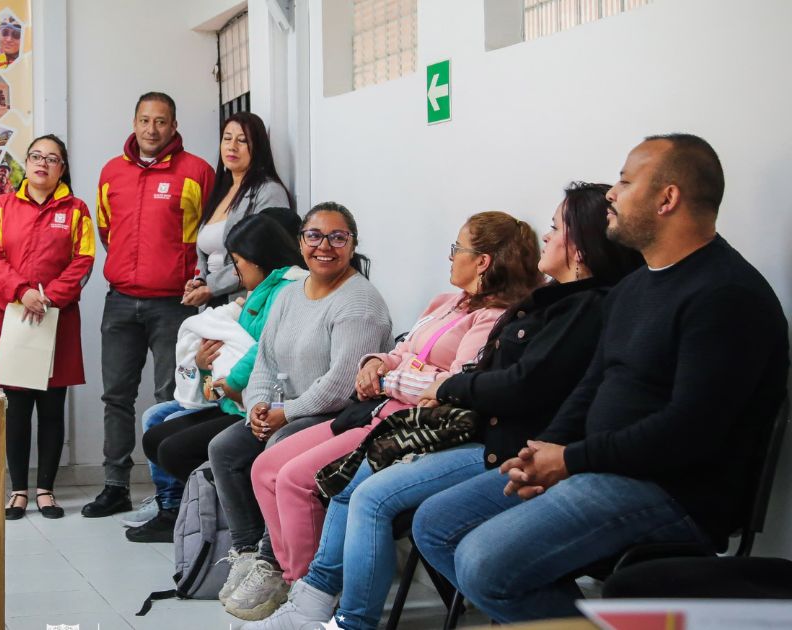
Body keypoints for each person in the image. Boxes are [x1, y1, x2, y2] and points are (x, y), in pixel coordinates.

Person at [413, 134, 789, 624]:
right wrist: (543, 450)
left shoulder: (727, 295)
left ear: (667, 198)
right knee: (435, 524)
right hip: (600, 467)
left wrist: (569, 459)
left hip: (673, 491)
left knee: (485, 563)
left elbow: (688, 432)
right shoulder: (635, 286)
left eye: (626, 181)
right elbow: (594, 384)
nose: (611, 192)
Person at [251, 184, 644, 630]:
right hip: (419, 419)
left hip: (469, 436)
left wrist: (435, 381)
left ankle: (342, 615)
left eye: (555, 228)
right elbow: (416, 356)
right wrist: (387, 365)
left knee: (362, 495)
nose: (547, 237)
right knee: (302, 475)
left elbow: (498, 384)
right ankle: (308, 599)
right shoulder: (522, 304)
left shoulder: (560, 309)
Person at [231, 211, 540, 622]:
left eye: (457, 248)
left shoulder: (491, 319)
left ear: (482, 261)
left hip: (419, 428)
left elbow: (451, 386)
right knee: (267, 465)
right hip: (384, 411)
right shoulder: (446, 303)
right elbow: (403, 351)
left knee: (304, 480)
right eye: (313, 236)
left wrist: (388, 375)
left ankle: (317, 596)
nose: (450, 257)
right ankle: (302, 591)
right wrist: (379, 362)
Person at [207, 202, 393, 619]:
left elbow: (342, 384)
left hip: (337, 415)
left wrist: (284, 414)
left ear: (352, 244)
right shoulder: (290, 294)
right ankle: (250, 550)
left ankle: (277, 563)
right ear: (300, 242)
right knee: (225, 449)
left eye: (337, 237)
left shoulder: (360, 302)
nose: (324, 246)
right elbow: (265, 362)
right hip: (285, 408)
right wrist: (257, 405)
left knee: (278, 444)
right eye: (314, 236)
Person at [127, 211, 306, 543]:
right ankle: (206, 509)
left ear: (257, 259)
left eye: (238, 263)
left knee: (174, 449)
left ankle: (240, 527)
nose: (236, 273)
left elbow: (263, 348)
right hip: (232, 400)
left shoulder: (287, 291)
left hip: (256, 401)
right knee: (156, 438)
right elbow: (229, 343)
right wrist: (206, 365)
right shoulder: (259, 292)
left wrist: (232, 382)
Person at [83, 92, 215, 518]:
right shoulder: (110, 173)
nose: (152, 129)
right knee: (116, 398)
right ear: (134, 122)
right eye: (145, 120)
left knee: (171, 397)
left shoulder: (197, 172)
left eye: (161, 122)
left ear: (174, 125)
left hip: (173, 305)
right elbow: (108, 232)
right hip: (120, 301)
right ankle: (114, 486)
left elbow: (209, 236)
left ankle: (169, 496)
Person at [0, 134, 95, 520]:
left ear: (63, 168)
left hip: (56, 319)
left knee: (51, 407)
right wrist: (21, 291)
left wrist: (48, 297)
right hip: (13, 316)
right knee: (16, 408)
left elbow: (83, 261)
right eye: (35, 156)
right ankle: (18, 491)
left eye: (52, 158)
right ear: (25, 163)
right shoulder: (1, 206)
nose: (42, 164)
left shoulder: (77, 210)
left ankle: (46, 490)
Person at [183, 112, 292, 308]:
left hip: (243, 301)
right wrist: (199, 280)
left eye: (242, 140)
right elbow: (205, 252)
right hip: (212, 300)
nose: (232, 146)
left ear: (258, 148)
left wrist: (211, 287)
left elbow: (262, 254)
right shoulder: (222, 190)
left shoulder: (268, 191)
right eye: (227, 138)